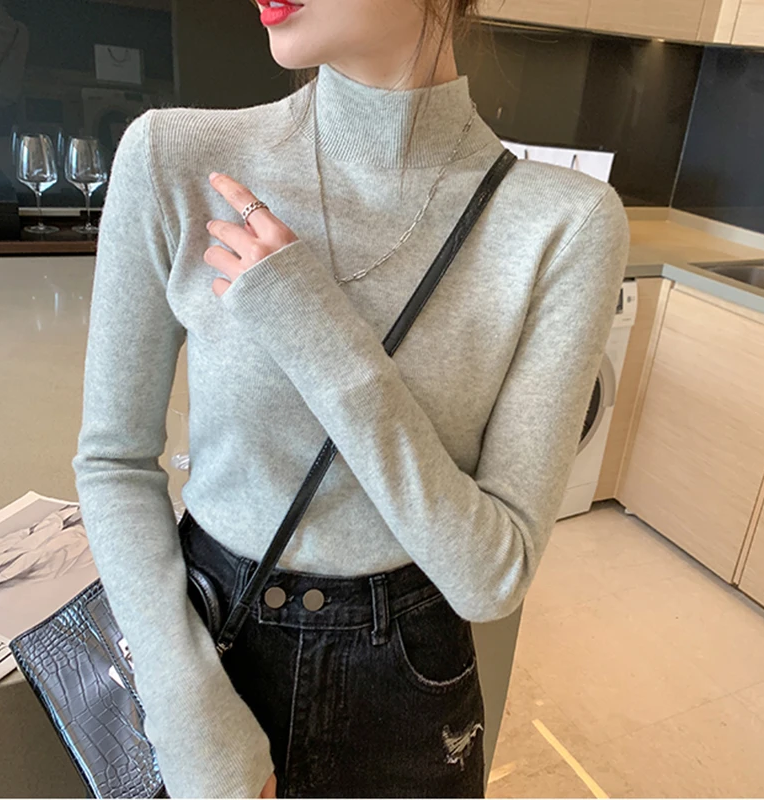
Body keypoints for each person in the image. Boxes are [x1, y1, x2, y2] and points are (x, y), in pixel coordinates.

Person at [71, 0, 630, 795]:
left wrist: (312, 326)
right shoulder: (174, 158)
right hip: (207, 641)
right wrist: (187, 711)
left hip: (409, 685)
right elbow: (114, 461)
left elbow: (493, 576)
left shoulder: (565, 223)